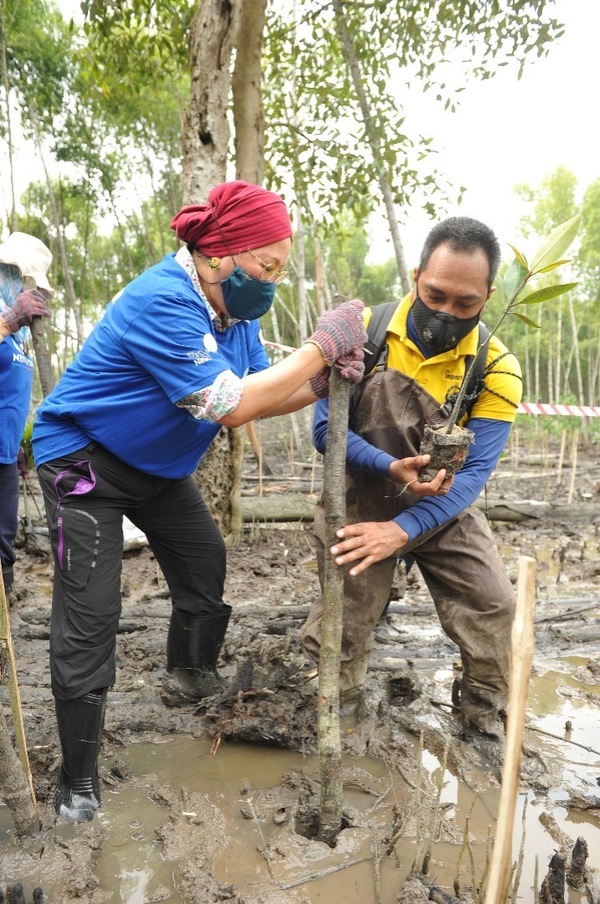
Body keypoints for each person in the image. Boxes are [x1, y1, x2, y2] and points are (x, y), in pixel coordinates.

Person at [31, 179, 388, 824]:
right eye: (267, 266)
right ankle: (76, 784)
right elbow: (227, 407)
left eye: (281, 268)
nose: (272, 281)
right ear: (221, 254)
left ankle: (189, 674)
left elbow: (258, 389)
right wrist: (316, 348)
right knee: (91, 608)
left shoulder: (235, 313)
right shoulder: (162, 301)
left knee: (202, 558)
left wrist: (325, 378)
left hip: (156, 469)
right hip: (83, 460)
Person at [300, 216, 523, 749]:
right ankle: (338, 709)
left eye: (465, 304)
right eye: (434, 294)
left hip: (445, 507)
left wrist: (402, 531)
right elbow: (325, 432)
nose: (446, 313)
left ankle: (483, 719)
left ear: (489, 296)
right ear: (417, 274)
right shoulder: (364, 336)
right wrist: (387, 467)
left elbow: (471, 479)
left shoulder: (498, 369)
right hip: (362, 497)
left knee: (494, 603)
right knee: (347, 611)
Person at [0, 233, 52, 598]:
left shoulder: (20, 334)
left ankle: (4, 628)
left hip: (4, 449)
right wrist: (7, 322)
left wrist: (16, 442)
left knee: (4, 537)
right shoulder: (10, 321)